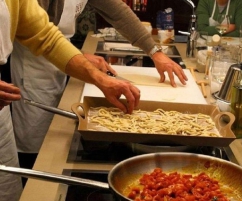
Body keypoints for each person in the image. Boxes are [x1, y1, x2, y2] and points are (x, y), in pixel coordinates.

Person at [0, 0, 186, 200]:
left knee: (8, 186)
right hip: (33, 68)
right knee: (37, 147)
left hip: (59, 60)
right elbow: (34, 36)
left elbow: (48, 37)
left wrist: (152, 52)